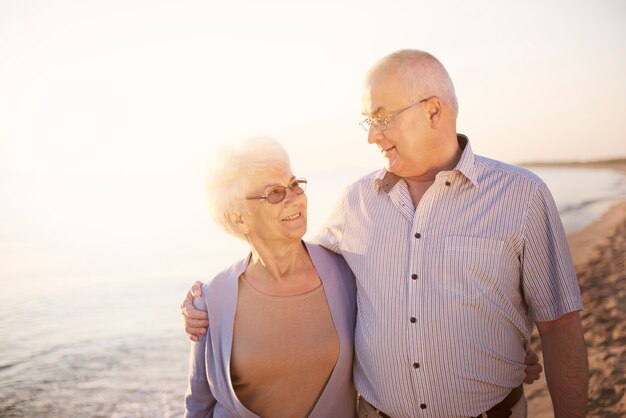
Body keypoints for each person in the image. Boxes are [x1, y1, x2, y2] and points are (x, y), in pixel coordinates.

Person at [184, 48, 583, 417]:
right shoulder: (356, 201)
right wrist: (207, 300)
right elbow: (290, 259)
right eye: (368, 122)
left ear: (432, 111)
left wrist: (515, 348)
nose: (372, 136)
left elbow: (560, 325)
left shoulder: (522, 196)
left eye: (381, 118)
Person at [184, 136, 357, 417]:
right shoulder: (210, 300)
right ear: (238, 217)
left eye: (294, 185)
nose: (294, 199)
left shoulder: (347, 273)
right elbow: (198, 406)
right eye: (274, 193)